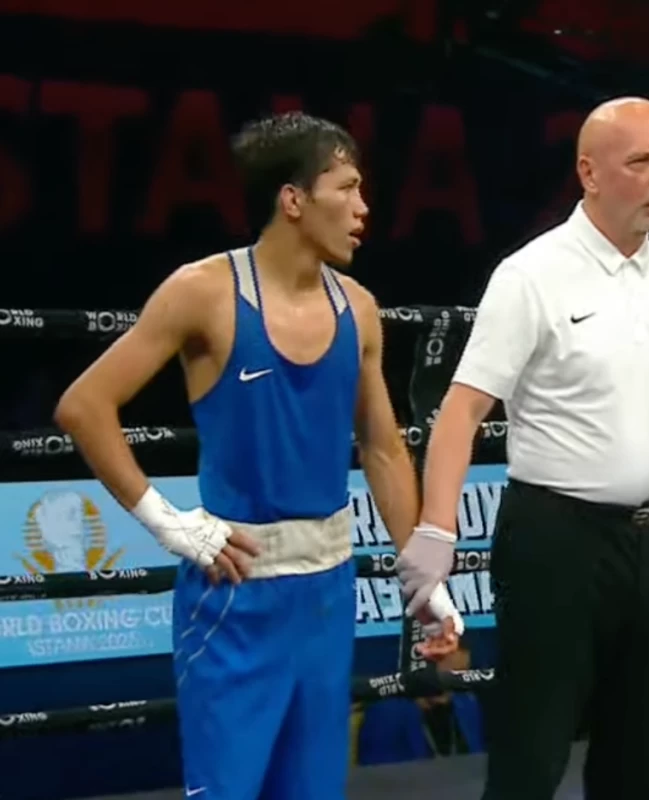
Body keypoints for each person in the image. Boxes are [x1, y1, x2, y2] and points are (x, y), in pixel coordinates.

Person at [397, 96, 649, 800]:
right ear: (589, 172)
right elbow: (463, 409)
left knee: (637, 757)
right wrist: (437, 530)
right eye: (642, 161)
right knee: (532, 753)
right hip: (556, 543)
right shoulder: (531, 275)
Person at [53, 111, 459, 800]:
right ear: (293, 199)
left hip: (328, 592)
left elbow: (384, 447)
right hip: (234, 596)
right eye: (348, 188)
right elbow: (83, 405)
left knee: (312, 790)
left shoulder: (357, 307)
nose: (364, 208)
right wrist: (168, 522)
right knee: (229, 790)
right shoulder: (202, 292)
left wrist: (424, 579)